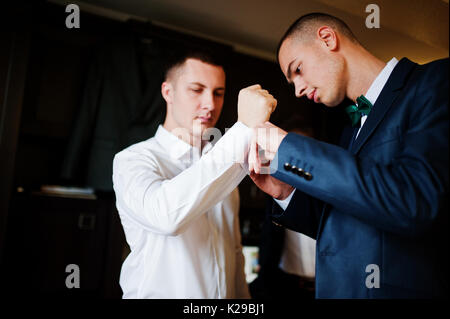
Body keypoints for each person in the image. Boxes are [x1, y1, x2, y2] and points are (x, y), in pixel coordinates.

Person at [249, 13, 448, 298]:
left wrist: (287, 146)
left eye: (298, 70)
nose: (298, 89)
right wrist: (287, 192)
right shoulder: (349, 131)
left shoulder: (435, 82)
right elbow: (350, 221)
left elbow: (414, 201)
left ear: (327, 39)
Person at [112, 48, 277, 298]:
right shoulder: (133, 160)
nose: (210, 104)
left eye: (218, 93)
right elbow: (166, 217)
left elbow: (233, 251)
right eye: (197, 90)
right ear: (168, 92)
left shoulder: (228, 165)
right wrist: (243, 129)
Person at [249, 115, 317, 300]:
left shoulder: (331, 198)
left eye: (302, 152)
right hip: (285, 288)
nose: (296, 162)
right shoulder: (276, 196)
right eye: (289, 153)